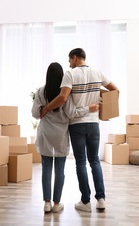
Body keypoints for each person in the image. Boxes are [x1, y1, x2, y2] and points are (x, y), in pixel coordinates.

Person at [41, 49, 119, 212]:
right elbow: (115, 91)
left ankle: (85, 202)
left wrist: (47, 108)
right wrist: (102, 104)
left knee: (81, 162)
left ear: (75, 58)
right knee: (95, 161)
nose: (69, 64)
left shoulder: (70, 74)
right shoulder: (98, 72)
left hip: (77, 124)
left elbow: (62, 98)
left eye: (69, 60)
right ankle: (101, 199)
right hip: (93, 124)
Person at [32, 62, 98, 213]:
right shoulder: (65, 95)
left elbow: (35, 114)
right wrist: (89, 108)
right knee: (60, 170)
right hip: (61, 135)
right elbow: (71, 113)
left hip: (45, 134)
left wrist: (43, 109)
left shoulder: (41, 92)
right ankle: (56, 204)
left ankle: (46, 203)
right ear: (62, 76)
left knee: (46, 168)